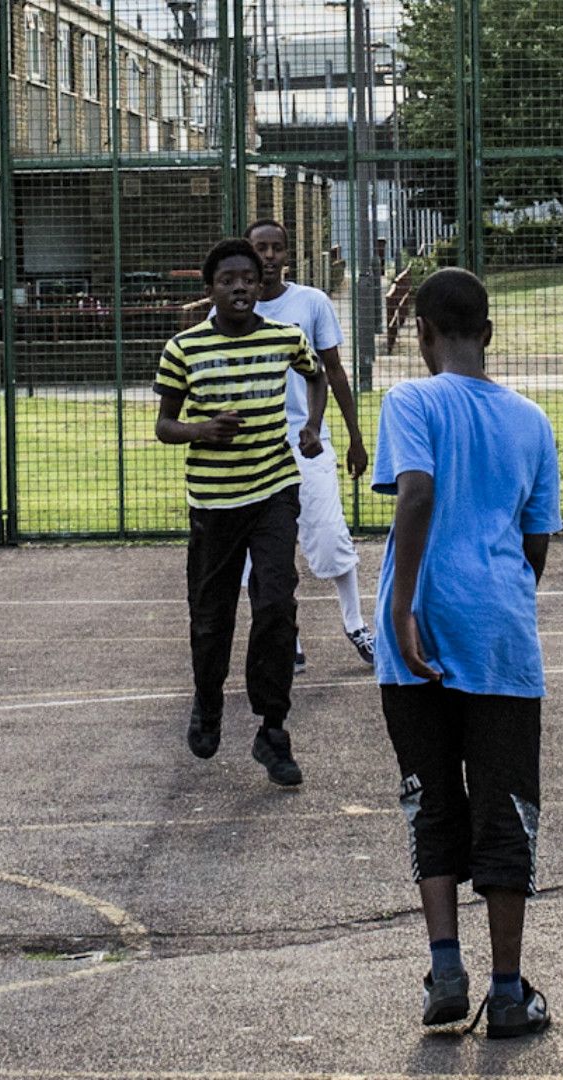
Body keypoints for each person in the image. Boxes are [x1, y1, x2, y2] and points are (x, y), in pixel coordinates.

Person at [371, 267, 562, 1037]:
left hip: (416, 630)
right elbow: (536, 540)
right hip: (500, 635)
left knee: (431, 801)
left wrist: (403, 603)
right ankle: (509, 990)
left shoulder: (411, 400)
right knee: (507, 808)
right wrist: (502, 600)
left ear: (421, 333)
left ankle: (446, 969)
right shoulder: (532, 421)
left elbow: (415, 493)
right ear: (488, 333)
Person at [154, 237, 326, 787]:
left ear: (261, 287)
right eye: (227, 280)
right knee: (211, 616)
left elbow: (316, 374)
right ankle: (208, 700)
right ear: (210, 291)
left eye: (248, 279)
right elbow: (164, 426)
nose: (239, 287)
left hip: (274, 490)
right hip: (213, 502)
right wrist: (201, 430)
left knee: (276, 605)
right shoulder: (184, 348)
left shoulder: (285, 338)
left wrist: (312, 425)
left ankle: (272, 731)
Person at [231, 219, 376, 672]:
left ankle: (356, 626)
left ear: (288, 255)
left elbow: (333, 371)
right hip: (254, 447)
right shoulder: (229, 310)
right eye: (261, 248)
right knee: (260, 554)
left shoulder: (311, 302)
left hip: (308, 442)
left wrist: (353, 436)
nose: (269, 256)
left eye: (277, 248)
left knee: (330, 536)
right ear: (249, 255)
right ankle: (283, 635)